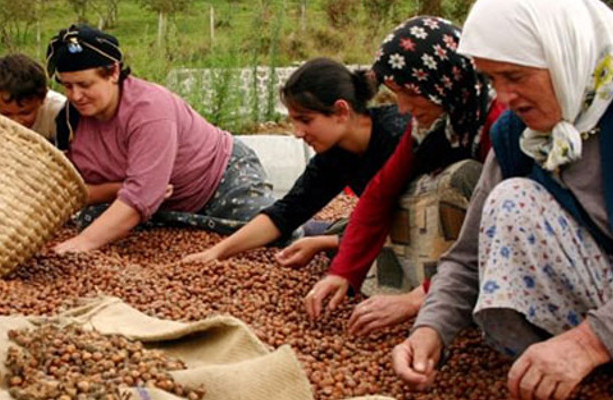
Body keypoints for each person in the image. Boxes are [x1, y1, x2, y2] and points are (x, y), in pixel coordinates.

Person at [394, 0, 613, 400]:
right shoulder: (519, 135)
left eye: (515, 76)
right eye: (492, 79)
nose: (505, 96)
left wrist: (590, 342)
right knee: (510, 200)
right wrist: (431, 328)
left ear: (567, 53)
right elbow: (466, 257)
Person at [304, 16, 506, 333]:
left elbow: (504, 231)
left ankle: (461, 303)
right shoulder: (429, 128)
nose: (402, 107)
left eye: (409, 92)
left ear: (441, 81)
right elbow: (380, 193)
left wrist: (419, 299)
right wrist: (342, 271)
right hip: (455, 266)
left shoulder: (499, 123)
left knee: (464, 176)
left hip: (495, 257)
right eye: (396, 93)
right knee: (405, 193)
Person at [46, 24, 275, 253]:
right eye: (67, 86)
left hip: (217, 180)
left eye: (85, 85)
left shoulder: (149, 111)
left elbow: (141, 196)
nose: (76, 96)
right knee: (90, 222)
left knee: (272, 233)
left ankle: (310, 233)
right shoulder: (68, 121)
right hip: (159, 204)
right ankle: (183, 223)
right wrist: (119, 189)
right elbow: (74, 189)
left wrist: (83, 243)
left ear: (113, 72)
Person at [184, 58, 408, 265]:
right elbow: (287, 213)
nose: (297, 133)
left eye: (305, 120)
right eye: (293, 121)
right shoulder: (334, 155)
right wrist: (216, 253)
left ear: (341, 111)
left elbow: (410, 224)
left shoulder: (400, 136)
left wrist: (324, 243)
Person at [0, 53, 66, 145]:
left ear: (43, 99)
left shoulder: (60, 113)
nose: (15, 123)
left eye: (25, 113)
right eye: (6, 114)